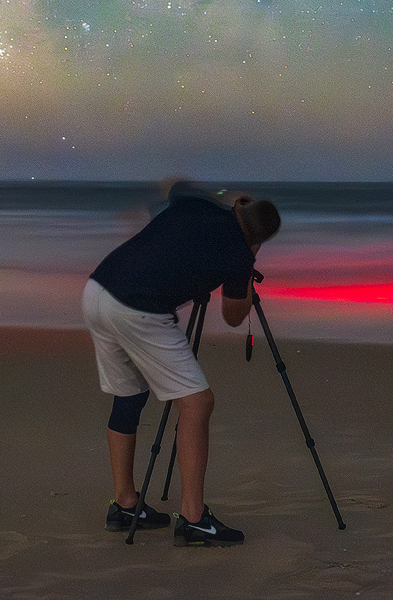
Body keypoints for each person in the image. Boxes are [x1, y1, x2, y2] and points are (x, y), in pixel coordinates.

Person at [81, 186, 281, 546]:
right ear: (259, 239)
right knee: (197, 402)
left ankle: (125, 504)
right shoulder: (239, 253)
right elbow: (235, 317)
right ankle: (193, 519)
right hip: (138, 309)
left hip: (99, 290)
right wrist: (249, 267)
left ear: (239, 207)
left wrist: (225, 197)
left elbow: (177, 186)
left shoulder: (194, 203)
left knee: (129, 393)